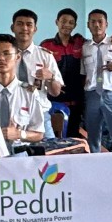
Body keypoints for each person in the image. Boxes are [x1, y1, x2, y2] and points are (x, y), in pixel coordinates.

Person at [0, 35, 50, 147]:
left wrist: (19, 134)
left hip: (19, 155)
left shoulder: (29, 93)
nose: (1, 58)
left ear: (17, 57)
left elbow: (39, 134)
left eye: (6, 54)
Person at [79, 10, 112, 152]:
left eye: (100, 22)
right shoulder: (85, 47)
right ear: (88, 25)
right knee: (93, 135)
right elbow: (83, 73)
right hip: (92, 94)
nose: (97, 25)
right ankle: (95, 164)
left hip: (111, 94)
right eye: (93, 22)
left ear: (106, 24)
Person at [41, 8, 86, 138]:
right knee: (55, 137)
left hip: (76, 100)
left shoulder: (80, 42)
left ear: (75, 25)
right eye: (63, 21)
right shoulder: (46, 45)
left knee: (73, 136)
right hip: (54, 100)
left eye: (71, 22)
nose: (67, 25)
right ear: (57, 22)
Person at [8, 10, 63, 99]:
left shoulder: (45, 55)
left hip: (39, 107)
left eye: (29, 24)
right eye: (20, 24)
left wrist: (50, 78)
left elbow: (56, 93)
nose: (24, 28)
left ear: (35, 29)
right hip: (10, 106)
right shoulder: (3, 55)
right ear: (12, 28)